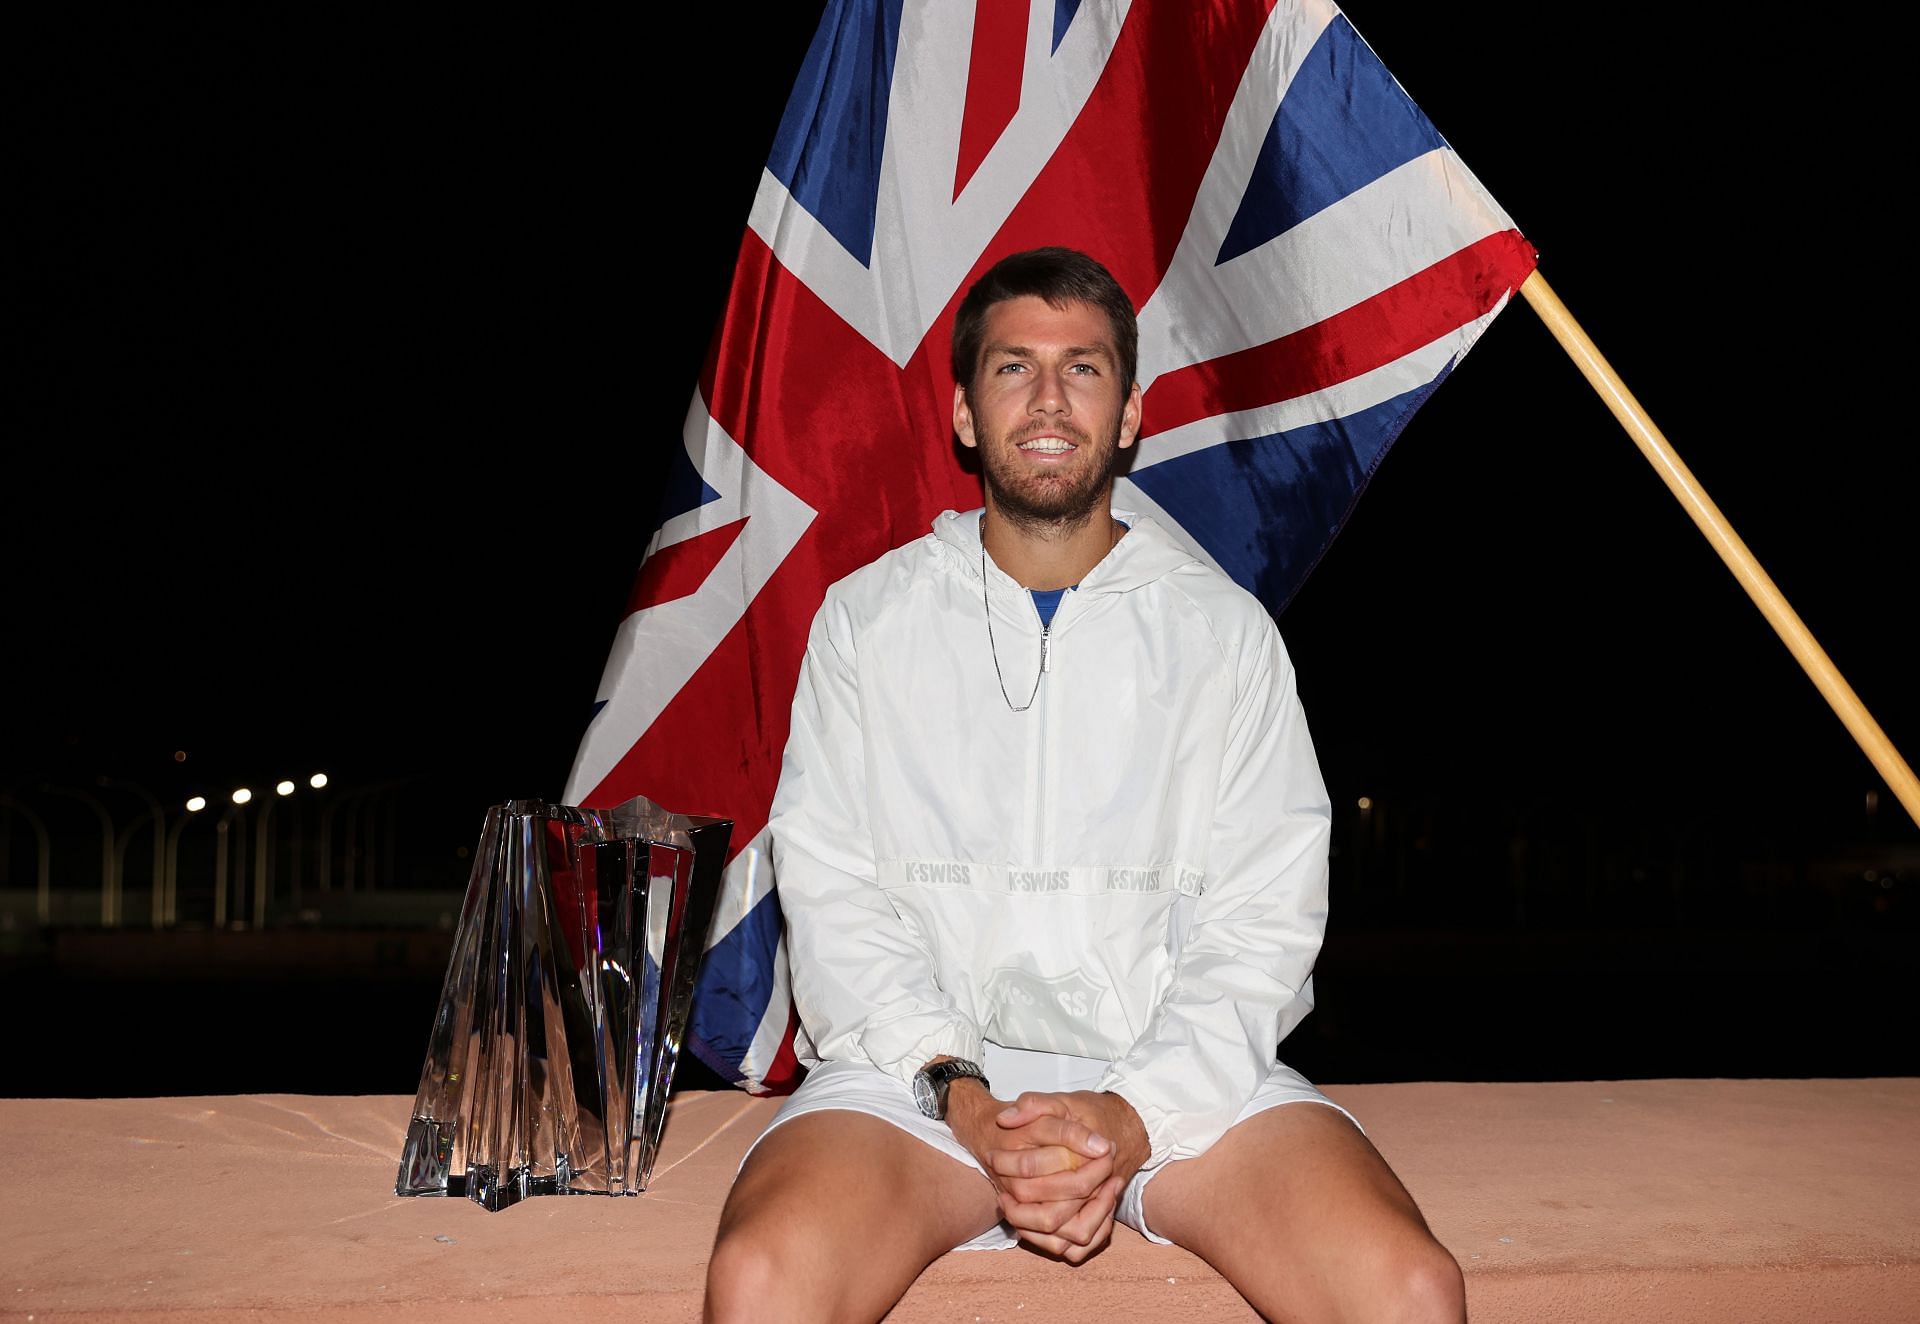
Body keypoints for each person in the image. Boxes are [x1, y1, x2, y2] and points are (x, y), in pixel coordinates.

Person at [705, 248, 1464, 1323]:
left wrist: (1130, 1110)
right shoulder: (868, 623)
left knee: (1408, 1290)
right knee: (762, 1281)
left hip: (1176, 1085)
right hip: (917, 1089)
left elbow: (1264, 923)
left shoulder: (1223, 636)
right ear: (967, 413)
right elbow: (832, 898)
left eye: (1085, 369)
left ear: (1131, 412)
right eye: (1014, 369)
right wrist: (966, 1100)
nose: (1050, 399)